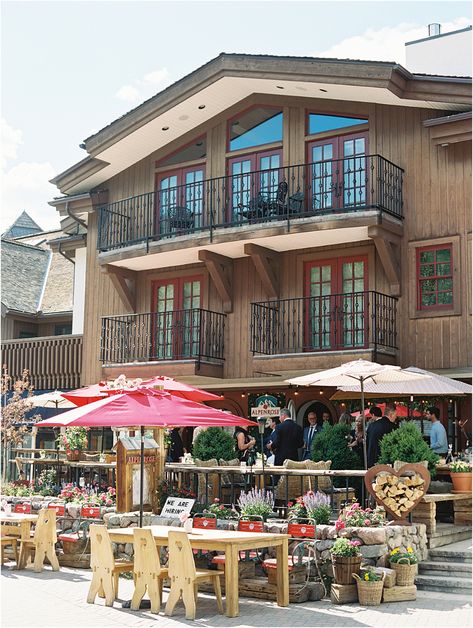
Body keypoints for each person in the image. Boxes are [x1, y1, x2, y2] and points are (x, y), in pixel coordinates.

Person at [366, 403, 398, 468]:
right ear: (391, 415)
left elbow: (367, 443)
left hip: (371, 461)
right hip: (384, 462)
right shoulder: (393, 427)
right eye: (395, 415)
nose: (396, 417)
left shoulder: (371, 426)